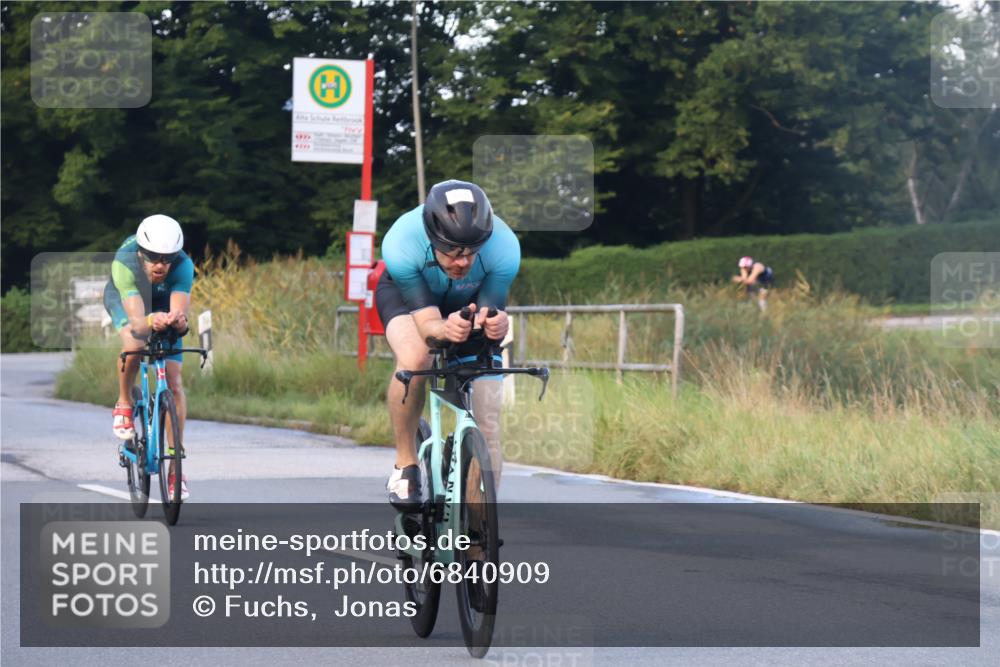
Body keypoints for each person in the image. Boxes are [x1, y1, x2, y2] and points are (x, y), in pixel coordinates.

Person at [378, 180, 520, 510]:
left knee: (488, 420)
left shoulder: (505, 246)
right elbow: (429, 326)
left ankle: (476, 529)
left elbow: (489, 312)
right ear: (432, 238)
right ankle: (405, 464)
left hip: (467, 300)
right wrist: (445, 327)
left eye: (471, 252)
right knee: (417, 356)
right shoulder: (401, 241)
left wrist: (495, 323)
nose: (462, 262)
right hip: (409, 299)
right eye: (453, 252)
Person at [103, 214, 193, 499]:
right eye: (153, 257)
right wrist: (151, 320)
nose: (160, 265)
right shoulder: (125, 262)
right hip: (128, 301)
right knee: (134, 343)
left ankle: (176, 468)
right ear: (142, 252)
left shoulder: (184, 266)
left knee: (174, 382)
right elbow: (139, 325)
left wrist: (179, 322)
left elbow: (181, 317)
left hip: (162, 301)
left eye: (167, 259)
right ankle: (124, 402)